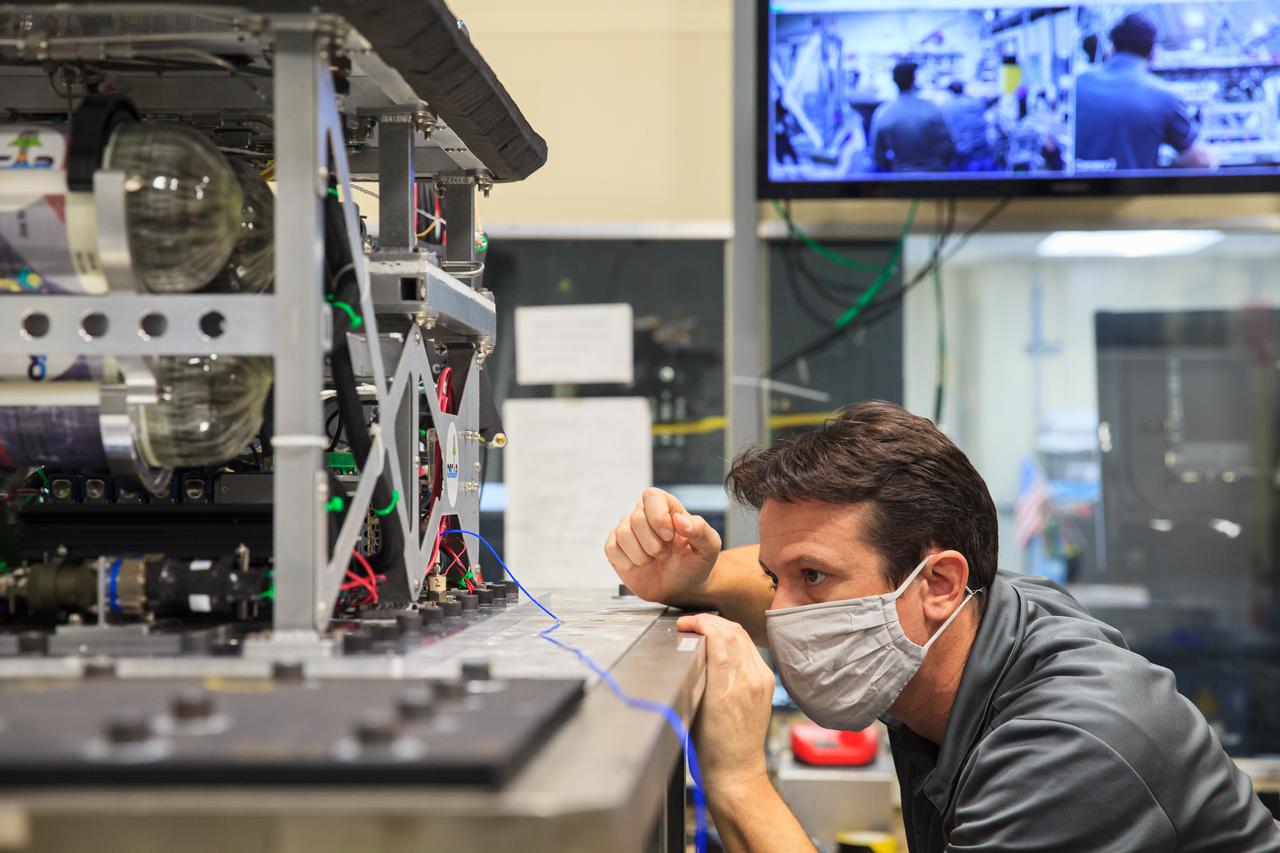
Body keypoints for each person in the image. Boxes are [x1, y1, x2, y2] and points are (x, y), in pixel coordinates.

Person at [604, 402, 1280, 852]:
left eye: (812, 577)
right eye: (781, 580)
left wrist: (737, 780)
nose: (781, 615)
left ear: (938, 583)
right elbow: (776, 573)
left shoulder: (1066, 750)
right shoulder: (987, 617)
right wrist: (691, 576)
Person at [1076, 12, 1214, 171]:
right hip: (1134, 195)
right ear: (1153, 52)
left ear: (1112, 47)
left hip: (1072, 194)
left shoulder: (1077, 84)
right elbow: (1200, 160)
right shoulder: (1165, 96)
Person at [868, 61, 956, 172]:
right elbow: (950, 147)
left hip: (901, 179)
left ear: (894, 81)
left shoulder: (883, 113)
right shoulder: (931, 109)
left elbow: (877, 156)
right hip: (935, 177)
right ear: (914, 80)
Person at [940, 81, 995, 171]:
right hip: (981, 152)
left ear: (950, 92)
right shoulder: (977, 102)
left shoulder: (947, 107)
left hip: (961, 154)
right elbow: (993, 98)